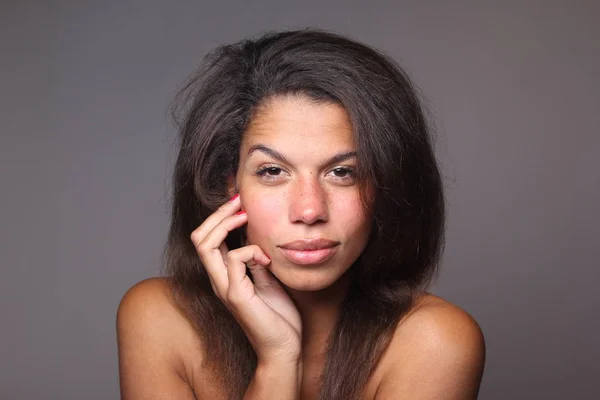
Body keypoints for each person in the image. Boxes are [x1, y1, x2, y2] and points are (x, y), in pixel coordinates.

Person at [116, 29, 485, 400]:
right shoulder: (160, 318)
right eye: (273, 171)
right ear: (232, 187)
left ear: (386, 186)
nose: (309, 210)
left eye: (343, 172)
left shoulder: (434, 341)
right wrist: (278, 360)